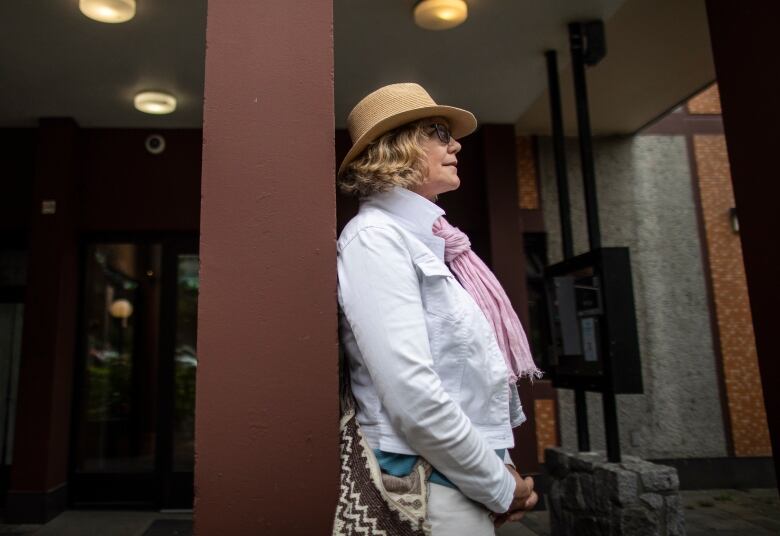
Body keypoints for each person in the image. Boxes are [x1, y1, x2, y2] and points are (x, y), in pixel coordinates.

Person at [337, 83, 541, 535]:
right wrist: (500, 486)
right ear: (397, 147)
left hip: (461, 477)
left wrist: (500, 470)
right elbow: (414, 396)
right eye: (438, 132)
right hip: (428, 484)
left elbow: (460, 382)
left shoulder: (434, 243)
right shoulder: (375, 238)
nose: (456, 144)